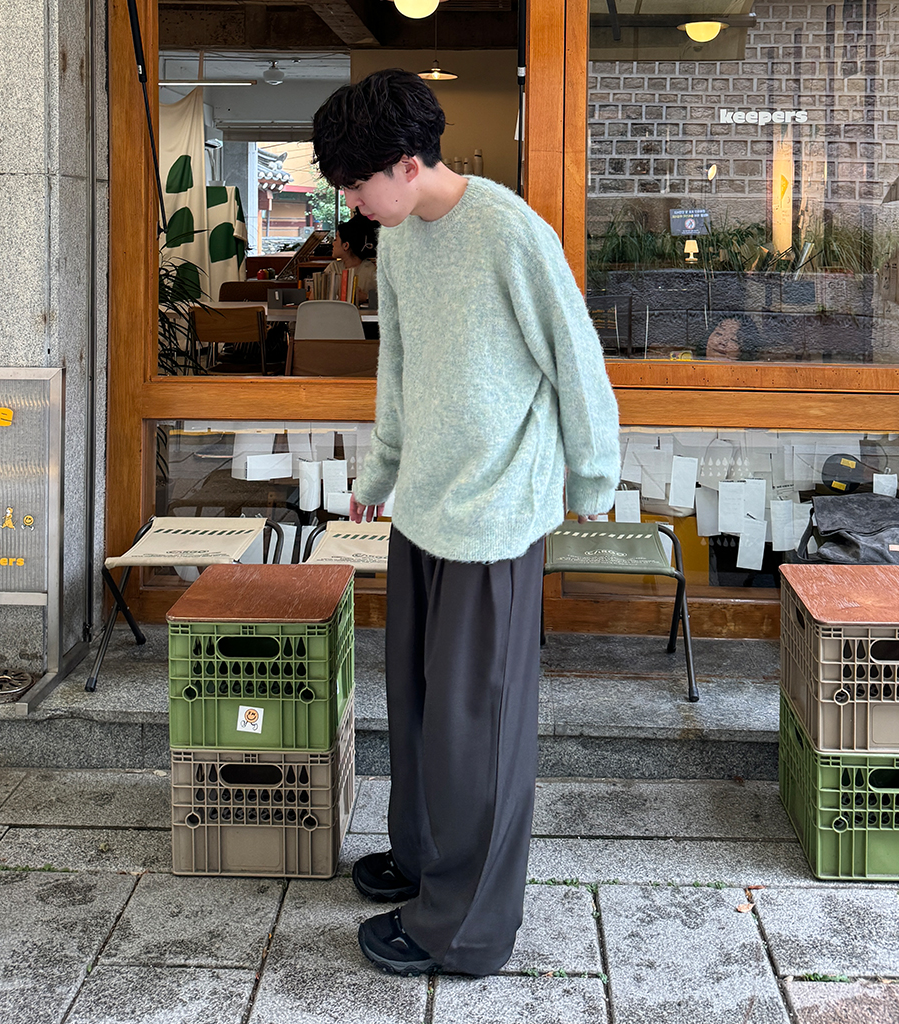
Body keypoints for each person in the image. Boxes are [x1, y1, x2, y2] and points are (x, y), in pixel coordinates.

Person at [311, 68, 620, 979]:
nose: (353, 204)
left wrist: (592, 474)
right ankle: (422, 860)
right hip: (425, 505)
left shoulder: (510, 232)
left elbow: (576, 359)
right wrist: (380, 472)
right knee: (417, 706)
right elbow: (399, 367)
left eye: (358, 185)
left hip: (494, 514)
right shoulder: (401, 236)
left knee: (475, 727)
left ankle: (466, 930)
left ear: (408, 165)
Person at [323, 210, 379, 303]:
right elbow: (315, 295)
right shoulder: (333, 268)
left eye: (336, 239)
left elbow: (387, 298)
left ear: (346, 245)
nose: (333, 244)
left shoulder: (370, 272)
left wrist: (366, 297)